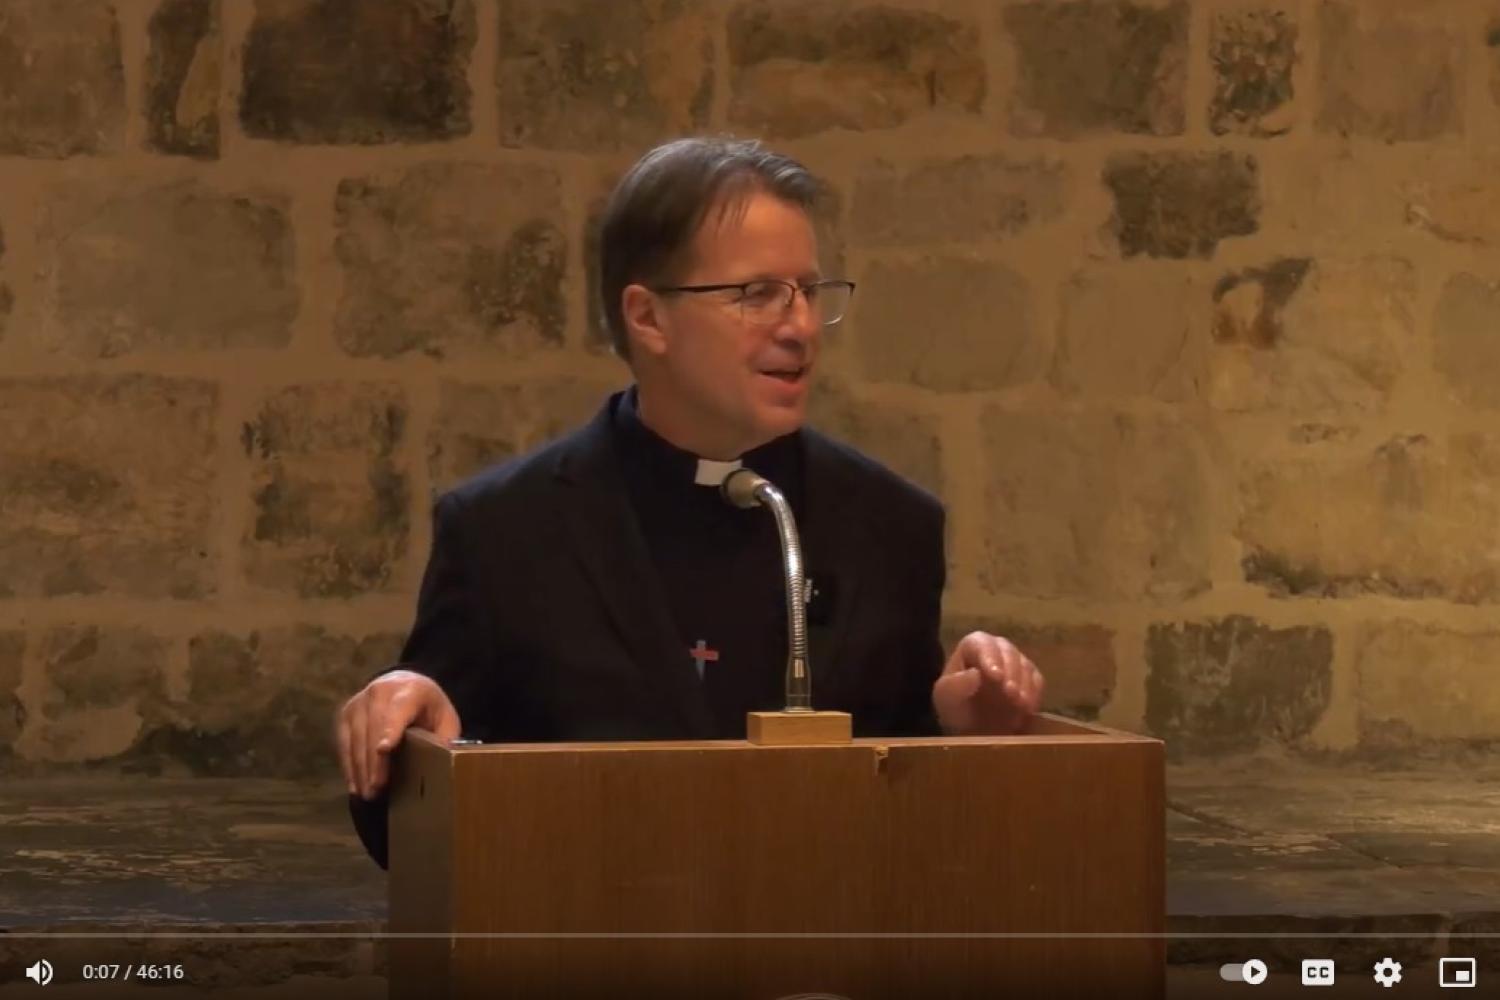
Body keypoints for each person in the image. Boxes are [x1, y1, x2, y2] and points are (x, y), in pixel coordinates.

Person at [337, 137, 1044, 868]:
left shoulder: (890, 526)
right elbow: (408, 831)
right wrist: (404, 731)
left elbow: (906, 815)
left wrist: (961, 728)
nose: (799, 327)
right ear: (647, 317)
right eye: (757, 294)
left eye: (808, 291)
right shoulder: (504, 533)